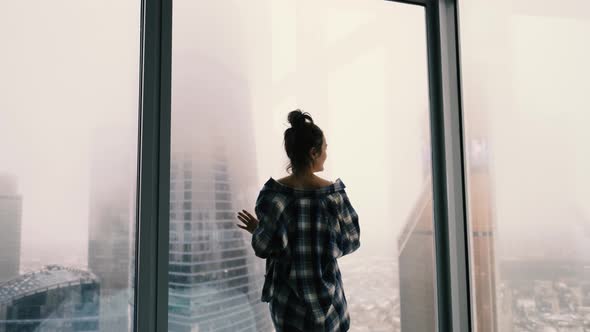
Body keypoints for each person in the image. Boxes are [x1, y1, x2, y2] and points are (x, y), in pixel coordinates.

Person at [236, 109, 361, 332]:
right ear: (314, 152)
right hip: (328, 303)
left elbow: (264, 246)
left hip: (288, 305)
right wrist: (322, 244)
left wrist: (259, 229)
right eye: (325, 149)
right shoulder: (334, 196)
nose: (326, 154)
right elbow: (351, 242)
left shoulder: (274, 196)